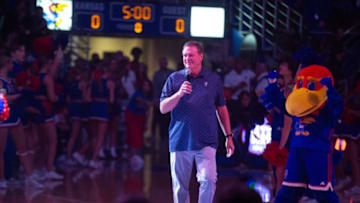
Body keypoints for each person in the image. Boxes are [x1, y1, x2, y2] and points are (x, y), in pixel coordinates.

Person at [160, 41, 235, 203]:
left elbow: (222, 109)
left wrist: (228, 136)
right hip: (180, 140)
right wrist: (178, 94)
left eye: (191, 55)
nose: (187, 58)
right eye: (185, 55)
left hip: (206, 139)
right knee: (180, 187)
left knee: (208, 180)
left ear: (201, 56)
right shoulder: (174, 78)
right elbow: (163, 108)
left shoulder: (213, 79)